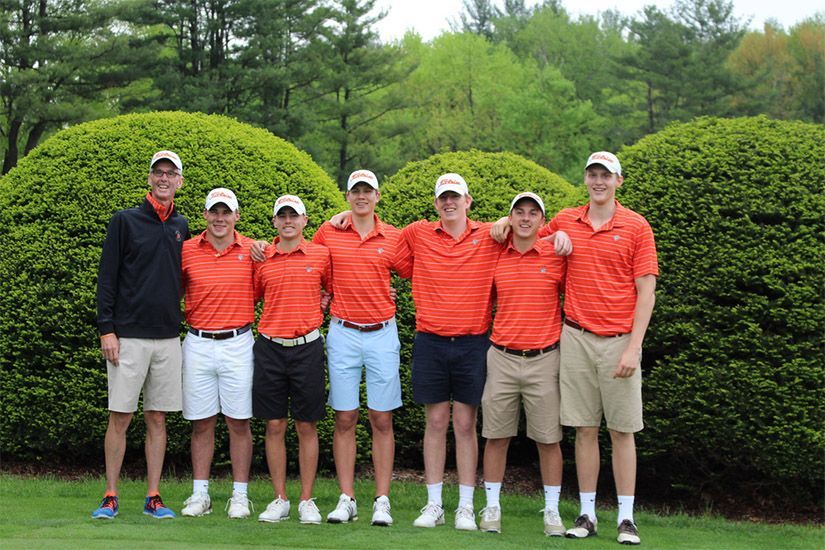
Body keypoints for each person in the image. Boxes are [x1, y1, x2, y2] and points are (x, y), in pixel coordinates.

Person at [492, 151, 658, 545]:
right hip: (577, 338)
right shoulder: (567, 220)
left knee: (621, 431)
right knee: (585, 429)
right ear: (586, 179)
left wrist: (635, 347)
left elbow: (646, 291)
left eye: (606, 175)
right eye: (593, 174)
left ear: (619, 181)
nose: (598, 181)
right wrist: (501, 221)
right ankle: (586, 514)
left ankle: (626, 518)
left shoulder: (636, 226)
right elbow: (524, 228)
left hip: (619, 340)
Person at [395, 174, 500, 531]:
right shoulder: (417, 233)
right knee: (436, 422)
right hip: (431, 341)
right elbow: (383, 254)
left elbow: (527, 230)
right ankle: (434, 504)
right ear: (436, 203)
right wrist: (340, 218)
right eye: (443, 198)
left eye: (455, 197)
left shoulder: (489, 234)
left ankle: (467, 506)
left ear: (468, 201)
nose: (449, 203)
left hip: (473, 342)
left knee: (466, 424)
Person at [93, 150, 189, 520]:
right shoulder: (125, 221)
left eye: (171, 173)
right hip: (127, 337)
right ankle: (110, 494)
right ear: (150, 178)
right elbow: (107, 278)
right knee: (120, 416)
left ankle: (153, 496)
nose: (164, 178)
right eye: (158, 172)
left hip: (167, 338)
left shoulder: (182, 226)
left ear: (179, 181)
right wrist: (107, 329)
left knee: (157, 418)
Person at [313, 170, 406, 526]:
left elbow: (415, 270)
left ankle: (382, 500)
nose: (362, 196)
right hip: (343, 332)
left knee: (381, 418)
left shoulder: (394, 237)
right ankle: (347, 497)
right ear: (348, 196)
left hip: (382, 332)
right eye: (356, 191)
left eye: (368, 191)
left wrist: (385, 291)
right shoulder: (329, 232)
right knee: (345, 417)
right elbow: (312, 268)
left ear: (377, 196)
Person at [478, 192, 567, 537]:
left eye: (534, 213)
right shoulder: (496, 252)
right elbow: (470, 229)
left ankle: (552, 511)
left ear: (543, 221)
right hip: (501, 356)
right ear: (511, 218)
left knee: (548, 440)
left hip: (544, 358)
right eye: (519, 213)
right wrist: (498, 225)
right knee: (496, 436)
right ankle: (493, 507)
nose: (526, 218)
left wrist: (562, 234)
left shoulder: (557, 254)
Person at [253, 195, 331, 525]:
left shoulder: (321, 254)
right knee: (274, 424)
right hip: (270, 347)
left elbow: (336, 289)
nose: (287, 221)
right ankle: (280, 498)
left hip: (307, 348)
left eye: (293, 216)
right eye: (281, 216)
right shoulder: (261, 257)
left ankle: (306, 500)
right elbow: (249, 295)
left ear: (304, 220)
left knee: (306, 425)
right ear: (274, 222)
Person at [179, 188, 256, 519]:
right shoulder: (186, 251)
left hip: (238, 342)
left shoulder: (254, 250)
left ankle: (240, 496)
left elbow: (283, 280)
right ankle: (201, 494)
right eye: (215, 212)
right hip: (197, 342)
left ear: (237, 216)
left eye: (227, 212)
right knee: (201, 422)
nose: (220, 218)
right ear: (206, 215)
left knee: (239, 422)